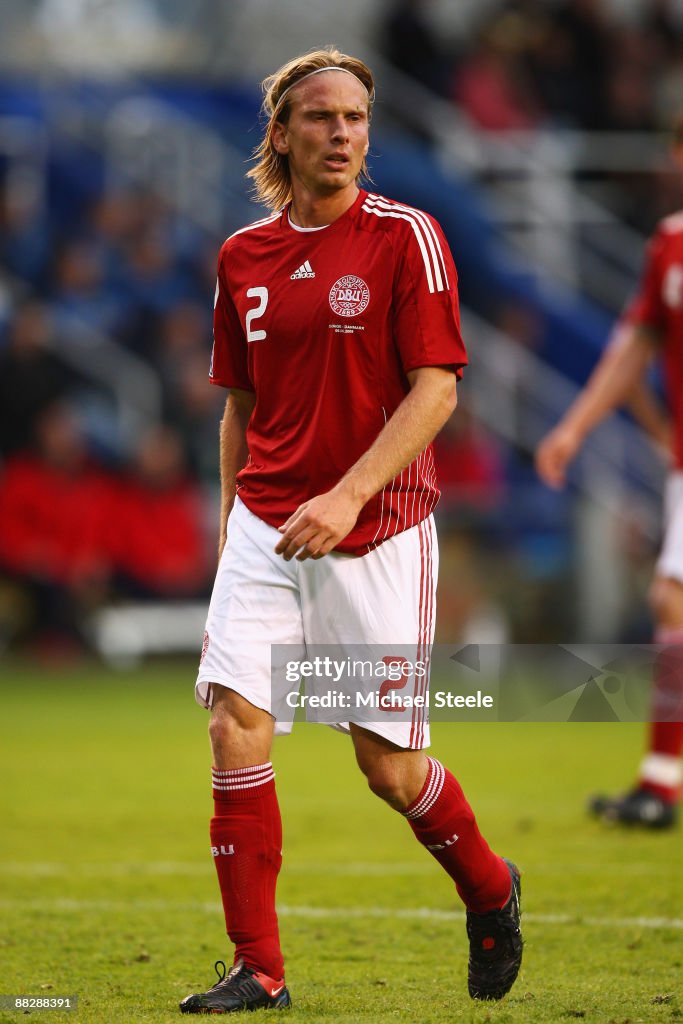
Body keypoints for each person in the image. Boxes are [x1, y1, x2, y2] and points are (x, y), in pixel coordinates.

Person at [180, 47, 523, 1015]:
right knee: (233, 720)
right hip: (264, 528)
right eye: (320, 117)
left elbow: (438, 387)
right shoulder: (240, 255)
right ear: (281, 132)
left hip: (374, 534)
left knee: (387, 764)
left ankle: (490, 889)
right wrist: (227, 525)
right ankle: (260, 968)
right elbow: (237, 406)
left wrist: (346, 496)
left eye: (355, 119)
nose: (340, 133)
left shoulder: (405, 236)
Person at [535, 120, 683, 829]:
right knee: (670, 601)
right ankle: (659, 785)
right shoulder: (668, 245)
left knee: (670, 600)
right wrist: (573, 428)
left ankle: (660, 785)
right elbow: (631, 352)